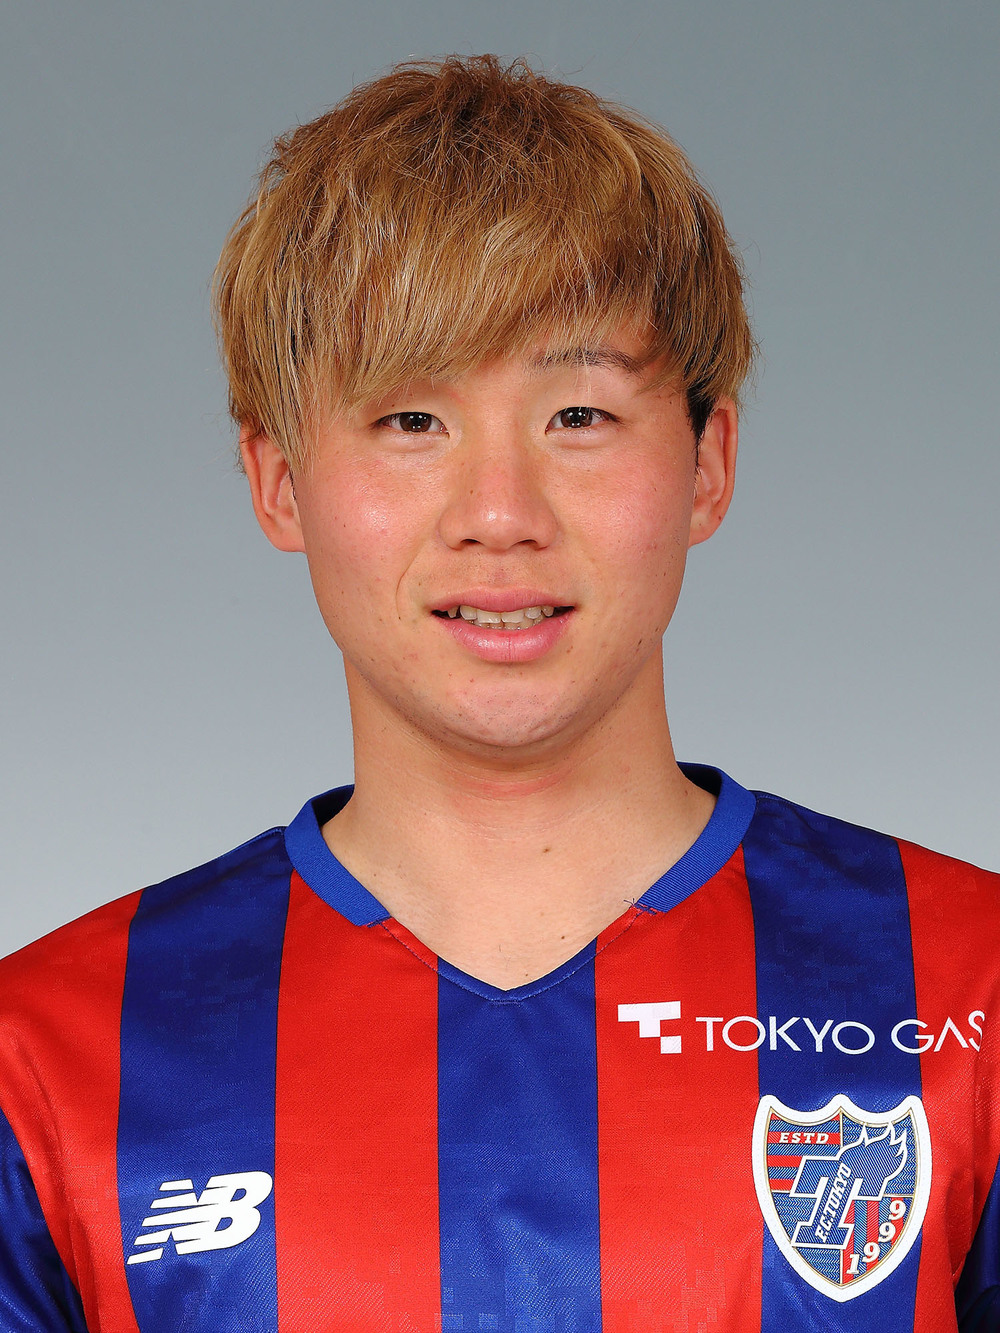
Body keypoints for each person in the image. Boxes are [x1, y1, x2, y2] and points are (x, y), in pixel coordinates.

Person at [0, 53, 997, 1333]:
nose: (499, 514)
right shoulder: (49, 1054)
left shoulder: (965, 988)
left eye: (578, 414)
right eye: (410, 421)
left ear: (707, 462)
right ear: (279, 483)